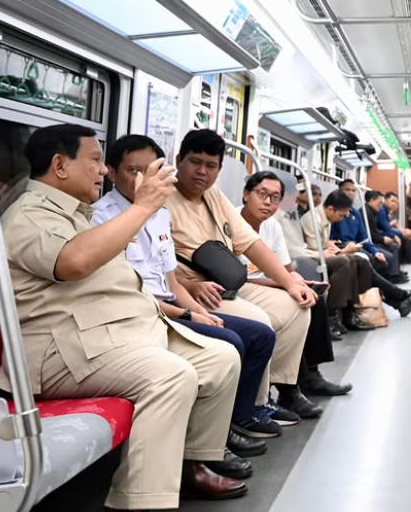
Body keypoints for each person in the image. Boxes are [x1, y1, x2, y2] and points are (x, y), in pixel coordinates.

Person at [0, 124, 246, 509]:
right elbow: (73, 262)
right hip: (64, 348)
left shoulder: (77, 214)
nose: (103, 171)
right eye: (96, 160)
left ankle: (189, 467)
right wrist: (143, 206)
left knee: (222, 358)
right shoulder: (30, 215)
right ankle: (142, 501)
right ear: (60, 165)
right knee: (171, 376)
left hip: (112, 336)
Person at [92, 134, 275, 474]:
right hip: (145, 314)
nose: (142, 180)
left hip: (171, 306)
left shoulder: (159, 214)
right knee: (230, 342)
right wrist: (189, 314)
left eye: (150, 171)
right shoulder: (103, 220)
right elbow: (131, 295)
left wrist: (201, 313)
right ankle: (204, 451)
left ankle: (233, 423)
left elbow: (171, 283)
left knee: (259, 335)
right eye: (133, 170)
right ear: (112, 173)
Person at [165, 130, 321, 420]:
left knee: (297, 306)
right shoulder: (163, 199)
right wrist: (188, 285)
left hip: (229, 282)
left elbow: (250, 243)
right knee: (260, 321)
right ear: (179, 161)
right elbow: (154, 264)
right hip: (196, 289)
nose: (202, 171)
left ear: (219, 169)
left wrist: (290, 282)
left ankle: (280, 389)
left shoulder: (214, 196)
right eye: (195, 162)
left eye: (211, 166)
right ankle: (254, 405)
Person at [240, 171, 352, 397]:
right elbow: (239, 275)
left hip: (269, 282)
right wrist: (284, 283)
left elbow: (287, 268)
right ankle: (289, 390)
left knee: (312, 297)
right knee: (297, 304)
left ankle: (312, 376)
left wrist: (298, 280)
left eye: (275, 198)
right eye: (262, 194)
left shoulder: (272, 226)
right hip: (242, 286)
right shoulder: (231, 221)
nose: (268, 202)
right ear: (246, 194)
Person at [303, 190, 411, 326]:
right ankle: (338, 315)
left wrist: (331, 245)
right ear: (330, 209)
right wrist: (343, 250)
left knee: (362, 261)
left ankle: (396, 301)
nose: (342, 219)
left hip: (331, 250)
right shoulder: (313, 220)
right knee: (348, 261)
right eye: (341, 215)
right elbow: (315, 251)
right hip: (312, 258)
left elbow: (329, 242)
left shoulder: (333, 216)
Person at [331, 179, 406, 284]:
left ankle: (387, 281)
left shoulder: (355, 213)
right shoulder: (333, 211)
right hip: (342, 246)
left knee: (381, 260)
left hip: (357, 245)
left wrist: (375, 251)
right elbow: (331, 238)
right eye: (347, 190)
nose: (351, 193)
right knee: (372, 260)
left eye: (353, 190)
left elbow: (364, 237)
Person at [369, 189, 411, 264]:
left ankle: (408, 260)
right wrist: (401, 234)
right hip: (380, 234)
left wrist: (403, 231)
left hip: (383, 232)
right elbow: (387, 228)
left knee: (404, 236)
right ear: (386, 200)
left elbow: (391, 226)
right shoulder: (381, 210)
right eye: (392, 201)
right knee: (401, 238)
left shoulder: (386, 211)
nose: (395, 204)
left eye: (396, 203)